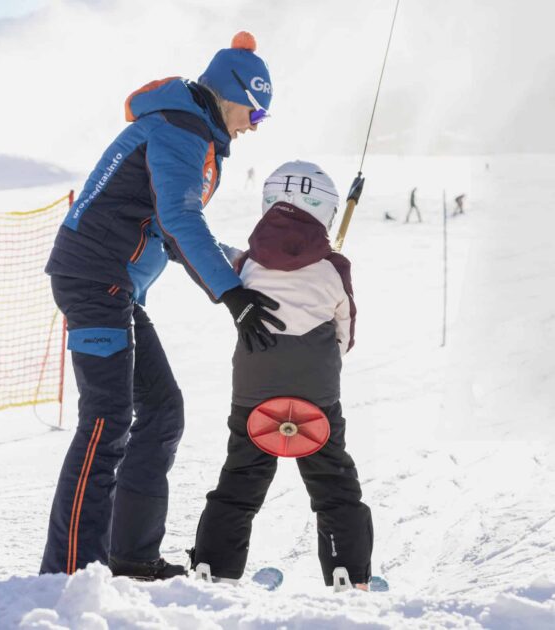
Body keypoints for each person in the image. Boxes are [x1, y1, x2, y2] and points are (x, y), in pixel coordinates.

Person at [40, 31, 286, 581]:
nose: (254, 125)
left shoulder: (190, 132)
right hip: (94, 280)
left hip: (114, 287)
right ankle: (70, 573)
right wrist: (231, 294)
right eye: (256, 112)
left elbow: (170, 231)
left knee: (161, 411)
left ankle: (130, 559)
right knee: (106, 419)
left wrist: (244, 266)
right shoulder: (179, 132)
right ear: (233, 95)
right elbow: (180, 220)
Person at [191, 161, 374, 590]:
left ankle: (214, 569)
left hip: (254, 389)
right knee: (333, 481)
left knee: (241, 475)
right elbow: (345, 330)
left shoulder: (246, 264)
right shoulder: (333, 268)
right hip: (316, 392)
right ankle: (349, 572)